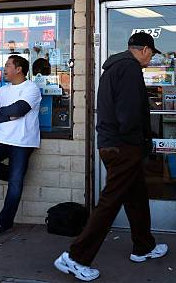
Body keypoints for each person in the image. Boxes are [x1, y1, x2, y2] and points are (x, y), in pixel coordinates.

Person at [54, 32, 168, 282]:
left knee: (136, 197)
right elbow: (128, 112)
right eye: (152, 53)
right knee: (110, 202)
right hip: (123, 146)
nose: (151, 58)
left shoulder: (114, 67)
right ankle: (75, 257)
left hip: (115, 144)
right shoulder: (129, 68)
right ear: (146, 50)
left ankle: (144, 247)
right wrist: (137, 142)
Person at [0, 55, 41, 238]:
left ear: (18, 69)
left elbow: (19, 110)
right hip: (1, 138)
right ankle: (15, 178)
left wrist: (6, 113)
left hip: (22, 141)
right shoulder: (3, 90)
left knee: (15, 184)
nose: (4, 69)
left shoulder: (31, 88)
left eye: (7, 65)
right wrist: (9, 115)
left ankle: (4, 223)